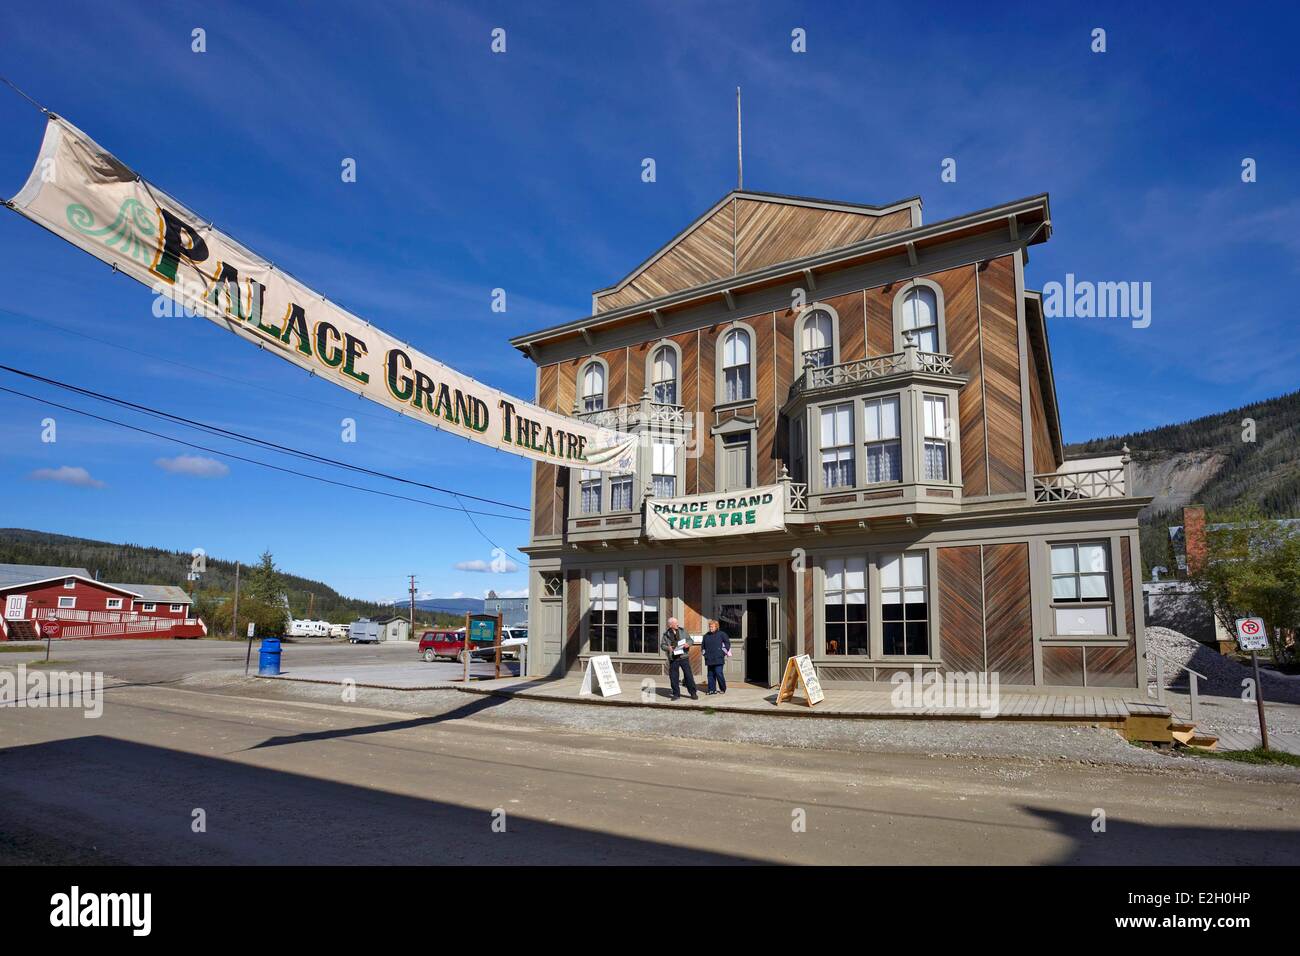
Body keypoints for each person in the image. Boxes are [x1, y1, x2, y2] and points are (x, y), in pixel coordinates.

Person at [659, 616, 698, 700]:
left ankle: (693, 693)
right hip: (673, 658)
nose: (677, 624)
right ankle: (676, 694)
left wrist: (688, 644)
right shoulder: (666, 634)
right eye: (675, 623)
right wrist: (668, 648)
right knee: (673, 676)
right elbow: (662, 645)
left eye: (677, 622)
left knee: (688, 675)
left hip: (684, 657)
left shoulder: (683, 631)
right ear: (670, 625)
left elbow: (690, 640)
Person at [701, 619, 731, 695]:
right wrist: (704, 653)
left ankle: (722, 688)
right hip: (709, 658)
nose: (711, 628)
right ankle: (712, 689)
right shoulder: (706, 636)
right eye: (710, 626)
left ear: (716, 627)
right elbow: (703, 646)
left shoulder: (722, 634)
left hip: (718, 657)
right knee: (710, 674)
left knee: (718, 673)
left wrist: (723, 652)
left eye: (712, 627)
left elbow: (727, 643)